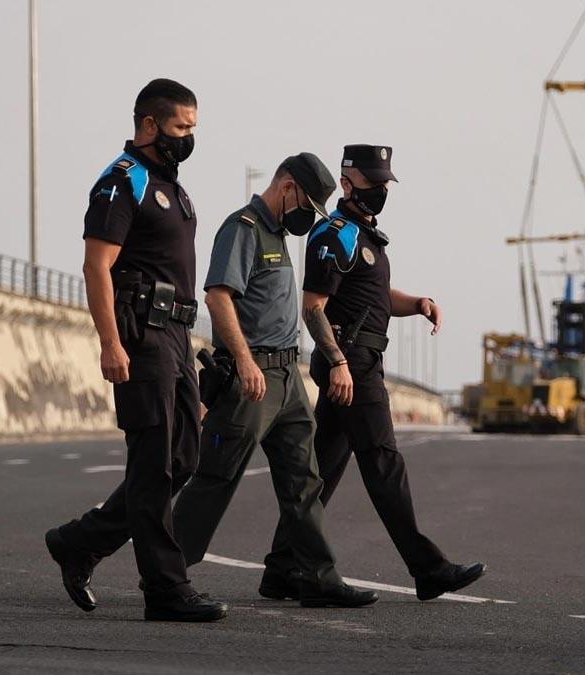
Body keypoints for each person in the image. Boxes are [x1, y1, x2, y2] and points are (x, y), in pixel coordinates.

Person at [263, 144, 486, 601]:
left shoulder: (366, 235)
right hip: (353, 366)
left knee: (321, 471)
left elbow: (378, 296)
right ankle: (428, 569)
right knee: (384, 465)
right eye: (374, 181)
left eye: (385, 182)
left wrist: (418, 304)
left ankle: (282, 568)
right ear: (347, 183)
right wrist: (341, 364)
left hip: (357, 363)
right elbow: (313, 308)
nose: (383, 189)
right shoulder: (334, 234)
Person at [43, 78, 226, 622]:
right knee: (152, 467)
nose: (188, 138)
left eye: (193, 128)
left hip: (177, 336)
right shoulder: (123, 183)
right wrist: (110, 343)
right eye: (180, 128)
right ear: (148, 125)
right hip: (141, 337)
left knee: (183, 458)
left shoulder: (174, 187)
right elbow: (96, 266)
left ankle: (80, 541)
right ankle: (165, 590)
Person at [171, 153, 379, 609]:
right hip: (253, 379)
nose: (310, 215)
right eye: (307, 202)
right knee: (216, 477)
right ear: (287, 188)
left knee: (305, 481)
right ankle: (167, 575)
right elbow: (218, 296)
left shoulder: (280, 234)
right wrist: (244, 361)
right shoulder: (243, 227)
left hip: (287, 378)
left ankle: (319, 578)